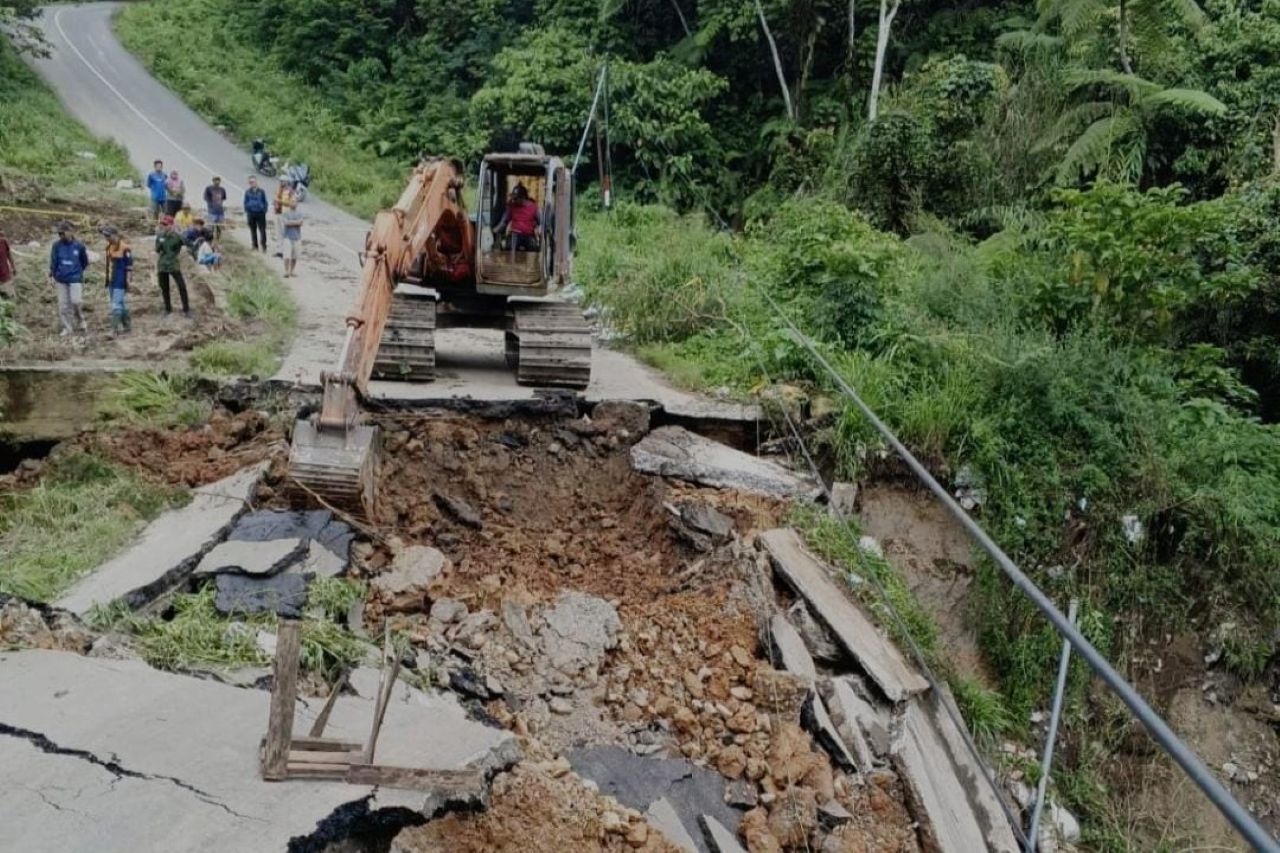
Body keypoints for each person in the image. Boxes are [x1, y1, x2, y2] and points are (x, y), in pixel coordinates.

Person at [48, 221, 90, 336]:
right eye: (59, 234)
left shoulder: (79, 246)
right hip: (61, 279)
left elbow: (84, 262)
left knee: (76, 301)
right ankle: (67, 327)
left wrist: (78, 271)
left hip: (75, 278)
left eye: (63, 233)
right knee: (63, 305)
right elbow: (54, 261)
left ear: (70, 232)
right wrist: (51, 275)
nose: (61, 236)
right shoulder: (56, 246)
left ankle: (80, 319)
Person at [154, 216, 191, 317]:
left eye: (166, 224)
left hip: (173, 264)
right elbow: (157, 249)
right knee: (164, 288)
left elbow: (188, 243)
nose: (163, 226)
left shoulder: (177, 236)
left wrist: (181, 234)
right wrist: (160, 239)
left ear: (171, 225)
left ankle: (186, 309)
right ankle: (167, 308)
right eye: (162, 224)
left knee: (182, 286)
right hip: (162, 264)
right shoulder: (160, 236)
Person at [102, 226, 133, 334]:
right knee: (120, 303)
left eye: (108, 236)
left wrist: (128, 281)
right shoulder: (108, 247)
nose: (107, 238)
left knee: (116, 305)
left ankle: (113, 329)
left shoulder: (125, 248)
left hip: (120, 281)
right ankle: (127, 326)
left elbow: (129, 267)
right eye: (105, 236)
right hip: (111, 280)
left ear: (115, 235)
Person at [493, 184, 540, 251]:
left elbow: (540, 222)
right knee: (509, 247)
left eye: (515, 199)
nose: (513, 200)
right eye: (513, 198)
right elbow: (504, 221)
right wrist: (495, 230)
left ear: (523, 197)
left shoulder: (534, 207)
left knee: (534, 248)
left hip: (529, 235)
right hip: (515, 234)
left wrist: (539, 229)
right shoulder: (511, 206)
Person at [244, 176, 269, 252]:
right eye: (250, 182)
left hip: (260, 213)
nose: (252, 183)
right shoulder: (247, 192)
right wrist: (247, 210)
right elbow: (245, 202)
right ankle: (255, 246)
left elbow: (265, 201)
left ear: (256, 182)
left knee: (262, 230)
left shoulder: (261, 191)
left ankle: (264, 246)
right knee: (253, 230)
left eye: (253, 182)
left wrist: (264, 210)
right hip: (251, 213)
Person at [280, 200, 304, 277]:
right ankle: (286, 271)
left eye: (294, 202)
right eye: (292, 202)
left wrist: (291, 222)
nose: (293, 203)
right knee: (287, 255)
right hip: (287, 237)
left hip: (297, 237)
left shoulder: (300, 213)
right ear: (289, 203)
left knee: (295, 256)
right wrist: (296, 222)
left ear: (297, 204)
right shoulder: (285, 213)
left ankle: (292, 271)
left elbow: (301, 223)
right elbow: (286, 223)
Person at [0, 227, 15, 300]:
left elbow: (9, 255)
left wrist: (13, 267)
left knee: (10, 295)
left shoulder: (4, 242)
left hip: (4, 273)